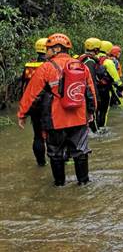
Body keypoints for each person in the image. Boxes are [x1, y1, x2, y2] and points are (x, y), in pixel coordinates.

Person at [17, 33, 97, 186]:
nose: (46, 52)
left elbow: (31, 94)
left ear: (57, 49)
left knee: (55, 154)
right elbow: (90, 92)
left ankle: (60, 186)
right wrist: (91, 112)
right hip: (79, 118)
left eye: (48, 49)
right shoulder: (81, 66)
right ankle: (84, 184)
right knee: (81, 152)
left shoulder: (46, 68)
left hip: (56, 120)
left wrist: (22, 114)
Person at [19, 37, 48, 166]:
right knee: (56, 134)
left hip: (33, 105)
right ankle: (60, 161)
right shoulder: (50, 66)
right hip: (48, 104)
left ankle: (41, 163)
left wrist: (23, 111)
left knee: (37, 136)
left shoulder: (28, 66)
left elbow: (23, 88)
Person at [95, 40, 123, 129]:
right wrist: (121, 88)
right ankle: (102, 129)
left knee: (95, 111)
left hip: (93, 89)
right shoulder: (108, 62)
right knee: (104, 111)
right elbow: (116, 79)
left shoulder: (92, 58)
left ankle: (94, 128)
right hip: (104, 89)